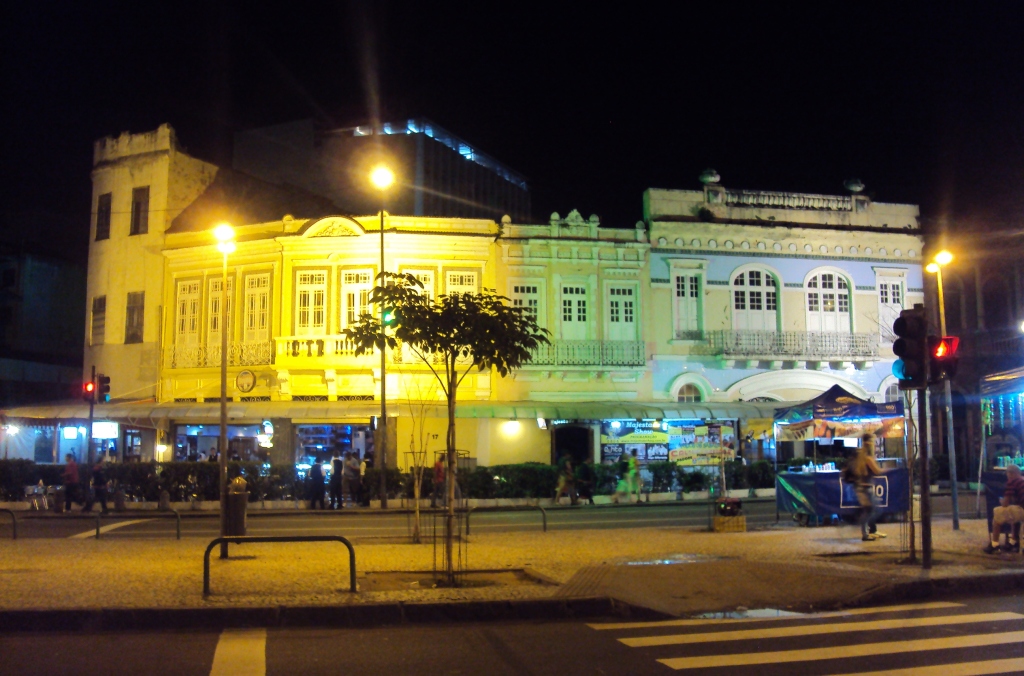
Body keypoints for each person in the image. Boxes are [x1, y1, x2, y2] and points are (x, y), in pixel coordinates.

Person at [847, 434, 884, 541]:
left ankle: (865, 530)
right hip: (866, 488)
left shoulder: (861, 457)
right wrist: (888, 470)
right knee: (874, 510)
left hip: (861, 487)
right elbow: (877, 471)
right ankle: (862, 528)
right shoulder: (868, 459)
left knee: (870, 510)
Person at [984, 463, 1024, 554]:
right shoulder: (1022, 480)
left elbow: (1005, 503)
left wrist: (1001, 500)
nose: (1007, 476)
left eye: (1007, 473)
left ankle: (994, 544)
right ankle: (1013, 541)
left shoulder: (1013, 482)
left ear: (1012, 473)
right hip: (1021, 508)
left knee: (997, 512)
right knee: (1012, 514)